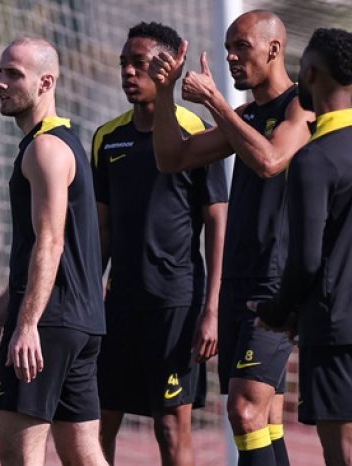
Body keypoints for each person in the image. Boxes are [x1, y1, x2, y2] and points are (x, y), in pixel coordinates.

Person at [148, 9, 314, 466]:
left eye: (241, 47)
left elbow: (271, 161)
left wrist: (216, 104)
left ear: (274, 50)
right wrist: (165, 94)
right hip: (240, 279)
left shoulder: (301, 105)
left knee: (243, 411)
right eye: (227, 48)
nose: (231, 57)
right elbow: (171, 158)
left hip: (275, 283)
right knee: (263, 418)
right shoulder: (248, 114)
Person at [254, 27, 352, 466]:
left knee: (346, 454)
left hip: (338, 324)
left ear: (312, 74)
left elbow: (306, 259)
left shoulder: (315, 159)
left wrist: (276, 313)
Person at [0, 36, 107, 466]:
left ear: (45, 82)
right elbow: (43, 254)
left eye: (13, 74)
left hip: (47, 327)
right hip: (79, 324)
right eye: (0, 73)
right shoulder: (64, 143)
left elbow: (50, 243)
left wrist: (25, 326)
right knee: (83, 455)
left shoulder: (45, 149)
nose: (0, 83)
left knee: (19, 457)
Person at [92, 22, 228, 466]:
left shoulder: (196, 130)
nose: (129, 72)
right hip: (118, 304)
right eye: (124, 64)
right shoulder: (106, 138)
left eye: (140, 63)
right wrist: (88, 295)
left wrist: (211, 310)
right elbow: (103, 230)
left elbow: (218, 222)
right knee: (97, 423)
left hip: (175, 305)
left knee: (170, 429)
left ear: (167, 67)